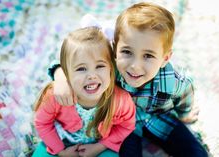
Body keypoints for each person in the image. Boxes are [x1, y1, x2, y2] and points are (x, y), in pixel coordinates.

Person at [48, 2, 208, 157]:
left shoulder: (174, 83)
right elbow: (72, 54)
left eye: (148, 56)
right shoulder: (107, 62)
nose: (135, 66)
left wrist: (184, 114)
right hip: (120, 125)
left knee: (196, 153)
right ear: (115, 47)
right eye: (127, 52)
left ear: (165, 58)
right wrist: (60, 74)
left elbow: (185, 98)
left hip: (157, 119)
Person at [33, 27, 136, 157]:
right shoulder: (55, 96)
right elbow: (42, 123)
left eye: (100, 66)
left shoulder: (121, 100)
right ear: (66, 72)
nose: (91, 76)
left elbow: (126, 126)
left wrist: (100, 146)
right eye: (81, 69)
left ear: (111, 67)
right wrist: (60, 151)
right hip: (60, 141)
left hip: (99, 145)